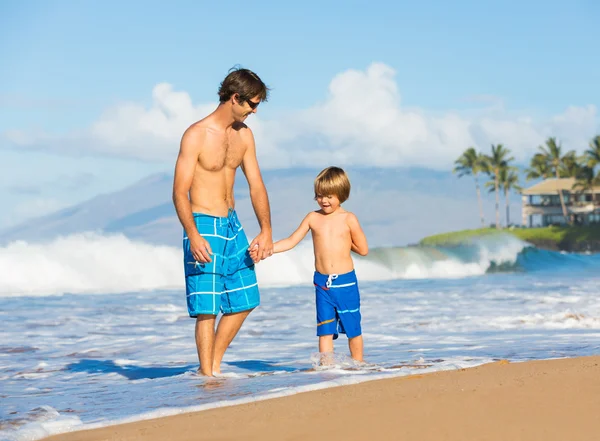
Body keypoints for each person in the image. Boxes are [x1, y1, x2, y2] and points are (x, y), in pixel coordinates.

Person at [172, 67, 273, 376]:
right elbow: (179, 192)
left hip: (232, 224)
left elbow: (256, 184)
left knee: (246, 299)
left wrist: (266, 230)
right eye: (252, 104)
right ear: (234, 98)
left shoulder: (244, 136)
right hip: (202, 223)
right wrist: (193, 234)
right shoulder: (196, 134)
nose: (255, 111)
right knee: (207, 309)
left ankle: (211, 366)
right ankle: (208, 374)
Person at [253, 166, 368, 362]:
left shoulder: (349, 219)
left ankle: (358, 364)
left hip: (345, 282)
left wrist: (344, 242)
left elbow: (363, 249)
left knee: (352, 328)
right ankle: (327, 367)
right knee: (325, 329)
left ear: (341, 194)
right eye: (320, 195)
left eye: (329, 196)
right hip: (322, 283)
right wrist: (266, 250)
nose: (324, 200)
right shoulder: (313, 218)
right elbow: (291, 241)